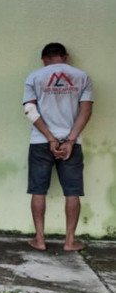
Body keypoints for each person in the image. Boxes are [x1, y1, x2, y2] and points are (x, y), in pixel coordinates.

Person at [23, 43, 93, 251]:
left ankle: (40, 239)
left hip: (41, 141)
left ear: (44, 59)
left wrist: (50, 138)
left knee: (38, 191)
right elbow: (86, 111)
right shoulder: (82, 76)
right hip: (72, 143)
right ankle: (69, 242)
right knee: (72, 192)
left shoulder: (34, 77)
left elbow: (30, 110)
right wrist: (69, 140)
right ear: (65, 56)